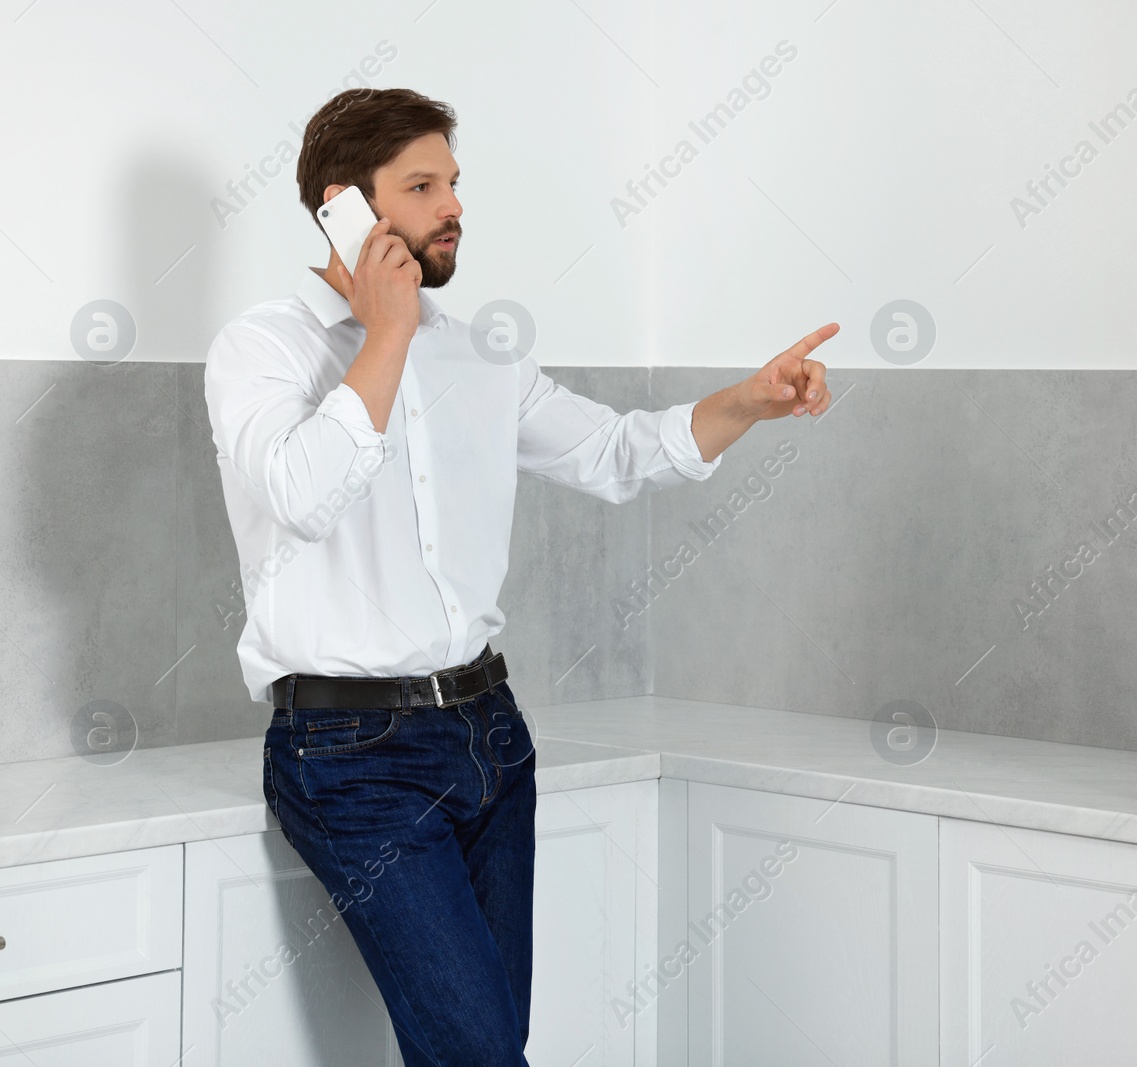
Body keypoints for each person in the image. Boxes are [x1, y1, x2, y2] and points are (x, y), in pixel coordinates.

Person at [203, 86, 837, 1066]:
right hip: (348, 756)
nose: (453, 205)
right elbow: (302, 493)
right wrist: (385, 335)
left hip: (491, 738)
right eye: (421, 186)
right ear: (344, 207)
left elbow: (621, 452)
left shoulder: (480, 357)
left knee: (487, 1047)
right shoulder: (262, 348)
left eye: (452, 182)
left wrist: (748, 401)